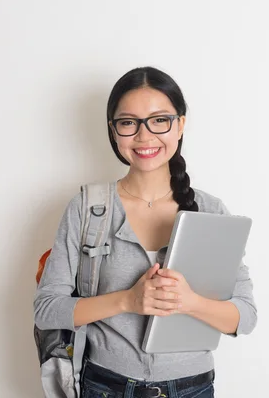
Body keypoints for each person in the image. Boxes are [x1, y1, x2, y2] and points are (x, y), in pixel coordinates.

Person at [34, 66, 257, 398]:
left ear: (180, 124)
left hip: (193, 389)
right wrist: (127, 300)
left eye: (159, 120)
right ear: (113, 131)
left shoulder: (211, 211)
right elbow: (47, 309)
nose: (144, 136)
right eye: (128, 123)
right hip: (106, 386)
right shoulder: (88, 208)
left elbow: (245, 317)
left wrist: (190, 302)